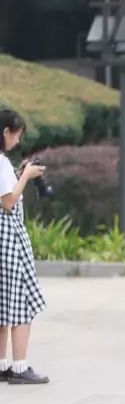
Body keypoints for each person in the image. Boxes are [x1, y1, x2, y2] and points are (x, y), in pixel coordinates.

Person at [0, 110, 51, 385]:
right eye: (16, 135)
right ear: (6, 132)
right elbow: (7, 203)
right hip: (8, 239)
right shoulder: (0, 162)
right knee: (21, 302)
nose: (17, 142)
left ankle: (2, 364)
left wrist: (19, 176)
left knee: (2, 304)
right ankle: (20, 367)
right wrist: (27, 176)